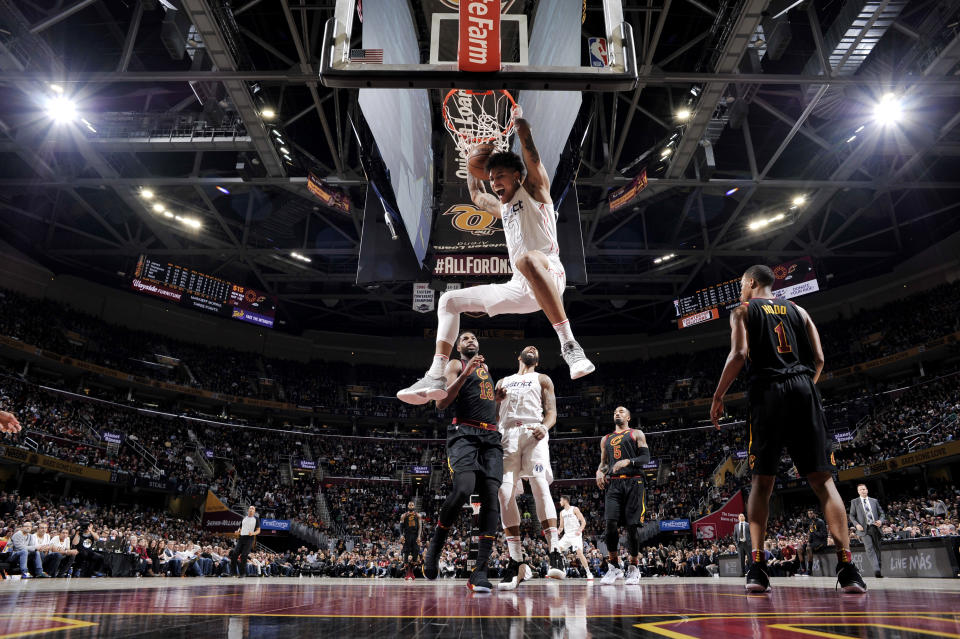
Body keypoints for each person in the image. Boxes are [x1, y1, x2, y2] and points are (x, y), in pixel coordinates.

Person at [397, 109, 594, 405]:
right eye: (491, 178)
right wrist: (467, 159)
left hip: (550, 272)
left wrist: (520, 125)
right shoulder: (502, 207)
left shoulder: (536, 191)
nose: (494, 182)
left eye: (499, 176)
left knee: (527, 259)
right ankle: (436, 372)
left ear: (517, 176)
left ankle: (570, 346)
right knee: (448, 301)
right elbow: (476, 196)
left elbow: (532, 156)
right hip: (519, 287)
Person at [710, 264, 866, 594]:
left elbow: (738, 353)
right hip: (803, 387)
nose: (740, 291)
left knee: (761, 481)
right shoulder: (799, 310)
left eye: (741, 284)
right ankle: (848, 567)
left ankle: (757, 568)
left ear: (751, 283)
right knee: (823, 480)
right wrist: (803, 389)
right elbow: (820, 358)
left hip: (767, 391)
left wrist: (719, 394)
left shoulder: (743, 311)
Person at [420, 332, 503, 593]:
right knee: (464, 488)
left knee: (492, 497)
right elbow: (441, 403)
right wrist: (465, 374)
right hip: (464, 434)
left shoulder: (486, 369)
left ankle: (479, 573)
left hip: (490, 436)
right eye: (465, 338)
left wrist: (497, 402)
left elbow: (491, 415)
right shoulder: (456, 365)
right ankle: (434, 550)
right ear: (458, 347)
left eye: (473, 337)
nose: (470, 340)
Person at [495, 345, 560, 590]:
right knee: (504, 493)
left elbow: (552, 412)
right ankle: (518, 561)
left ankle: (555, 551)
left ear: (537, 360)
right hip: (507, 434)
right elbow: (493, 414)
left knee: (540, 483)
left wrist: (545, 426)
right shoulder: (504, 380)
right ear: (518, 355)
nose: (532, 347)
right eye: (527, 347)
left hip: (534, 431)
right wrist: (495, 400)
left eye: (536, 349)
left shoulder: (542, 379)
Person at [594, 406, 649, 586]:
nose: (617, 413)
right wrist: (599, 472)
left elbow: (645, 458)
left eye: (621, 411)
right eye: (615, 411)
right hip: (614, 484)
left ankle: (633, 567)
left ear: (628, 417)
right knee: (610, 525)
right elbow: (603, 463)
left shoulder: (636, 434)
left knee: (632, 527)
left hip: (634, 482)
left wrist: (629, 461)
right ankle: (614, 566)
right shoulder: (606, 439)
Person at [849, 483, 885, 578]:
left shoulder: (874, 501)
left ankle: (879, 570)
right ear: (858, 492)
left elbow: (882, 513)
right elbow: (851, 515)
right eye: (860, 490)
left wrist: (880, 521)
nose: (863, 491)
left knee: (877, 549)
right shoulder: (854, 502)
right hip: (864, 529)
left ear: (867, 490)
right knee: (869, 548)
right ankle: (876, 569)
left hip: (875, 527)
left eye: (864, 489)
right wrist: (856, 524)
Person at [557, 495, 593, 580]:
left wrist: (580, 530)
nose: (560, 502)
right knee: (556, 550)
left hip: (575, 534)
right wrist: (558, 531)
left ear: (565, 500)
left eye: (561, 500)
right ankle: (562, 569)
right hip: (567, 535)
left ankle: (588, 573)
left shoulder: (575, 509)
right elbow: (561, 527)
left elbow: (583, 521)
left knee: (579, 553)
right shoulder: (562, 513)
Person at [230, 506, 260, 578]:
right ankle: (233, 572)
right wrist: (238, 531)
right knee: (234, 554)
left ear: (254, 511)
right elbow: (240, 527)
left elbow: (258, 530)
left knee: (244, 555)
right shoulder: (244, 518)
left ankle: (242, 573)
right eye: (250, 508)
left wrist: (253, 533)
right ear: (248, 510)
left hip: (249, 538)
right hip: (241, 538)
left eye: (253, 509)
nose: (251, 509)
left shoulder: (256, 519)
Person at [400, 501, 421, 581]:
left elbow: (420, 527)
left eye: (412, 505)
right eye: (410, 505)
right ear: (407, 506)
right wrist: (401, 535)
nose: (411, 506)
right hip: (407, 535)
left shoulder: (418, 515)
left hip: (415, 535)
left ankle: (411, 572)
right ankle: (407, 573)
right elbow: (401, 527)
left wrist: (419, 536)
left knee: (415, 553)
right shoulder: (403, 515)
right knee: (406, 553)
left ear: (414, 506)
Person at [804, 508, 828, 574]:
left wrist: (814, 531)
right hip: (814, 542)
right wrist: (808, 541)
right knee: (800, 548)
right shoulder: (811, 522)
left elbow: (824, 535)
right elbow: (811, 534)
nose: (810, 515)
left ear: (815, 514)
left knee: (808, 547)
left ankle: (809, 569)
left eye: (811, 513)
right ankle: (803, 569)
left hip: (821, 542)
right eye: (809, 514)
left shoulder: (820, 522)